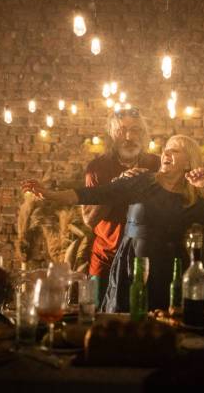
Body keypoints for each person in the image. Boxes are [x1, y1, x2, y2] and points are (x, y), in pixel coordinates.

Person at [22, 135, 204, 312]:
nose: (166, 153)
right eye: (166, 149)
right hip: (132, 263)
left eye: (175, 150)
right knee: (125, 320)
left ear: (189, 162)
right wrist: (50, 194)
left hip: (169, 268)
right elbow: (95, 193)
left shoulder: (190, 199)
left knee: (165, 322)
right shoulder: (142, 180)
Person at [81, 108, 160, 303]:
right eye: (122, 130)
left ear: (143, 135)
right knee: (97, 322)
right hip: (104, 261)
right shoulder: (97, 168)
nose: (129, 136)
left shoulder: (156, 164)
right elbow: (89, 219)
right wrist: (117, 186)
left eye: (135, 130)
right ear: (111, 135)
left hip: (146, 261)